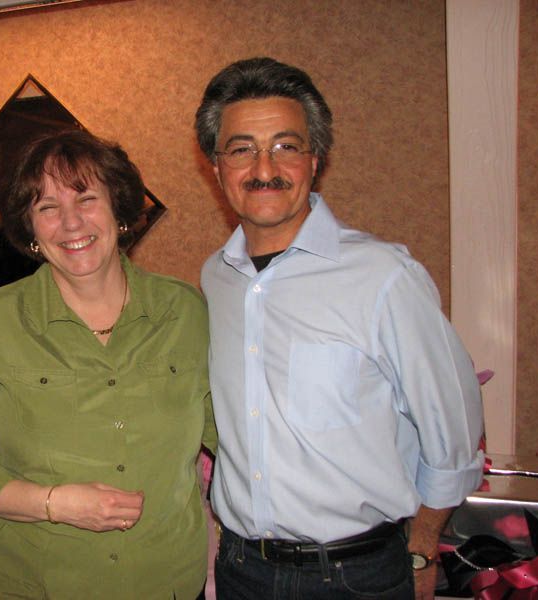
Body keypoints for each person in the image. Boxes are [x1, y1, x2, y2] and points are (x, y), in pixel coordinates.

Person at [194, 57, 484, 600]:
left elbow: (455, 430)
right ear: (217, 168)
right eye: (241, 149)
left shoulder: (384, 276)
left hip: (355, 576)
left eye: (285, 145)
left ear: (314, 159)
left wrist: (422, 546)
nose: (264, 168)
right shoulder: (216, 278)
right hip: (240, 569)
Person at [0, 129, 217, 599]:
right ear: (31, 229)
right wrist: (56, 504)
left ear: (118, 209)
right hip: (40, 584)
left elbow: (233, 437)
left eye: (86, 199)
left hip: (166, 581)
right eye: (47, 207)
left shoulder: (185, 311)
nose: (70, 222)